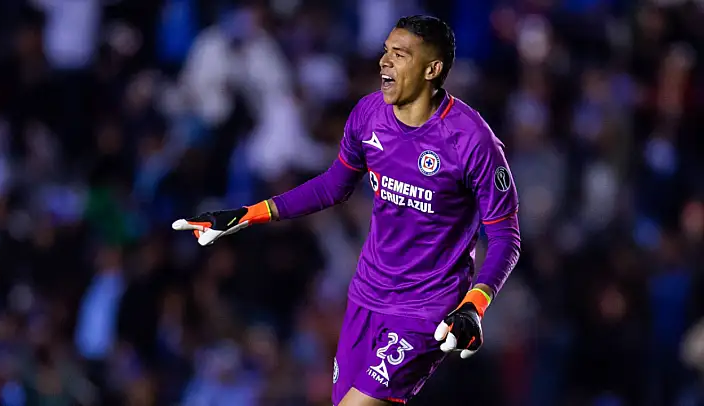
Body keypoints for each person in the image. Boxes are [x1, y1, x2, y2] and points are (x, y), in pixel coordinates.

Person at [172, 15, 521, 406]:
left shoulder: (472, 141)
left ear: (432, 69)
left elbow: (506, 236)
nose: (385, 61)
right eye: (386, 51)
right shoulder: (368, 115)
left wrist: (474, 305)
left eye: (400, 54)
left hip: (425, 309)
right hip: (366, 298)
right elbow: (332, 186)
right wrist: (245, 215)